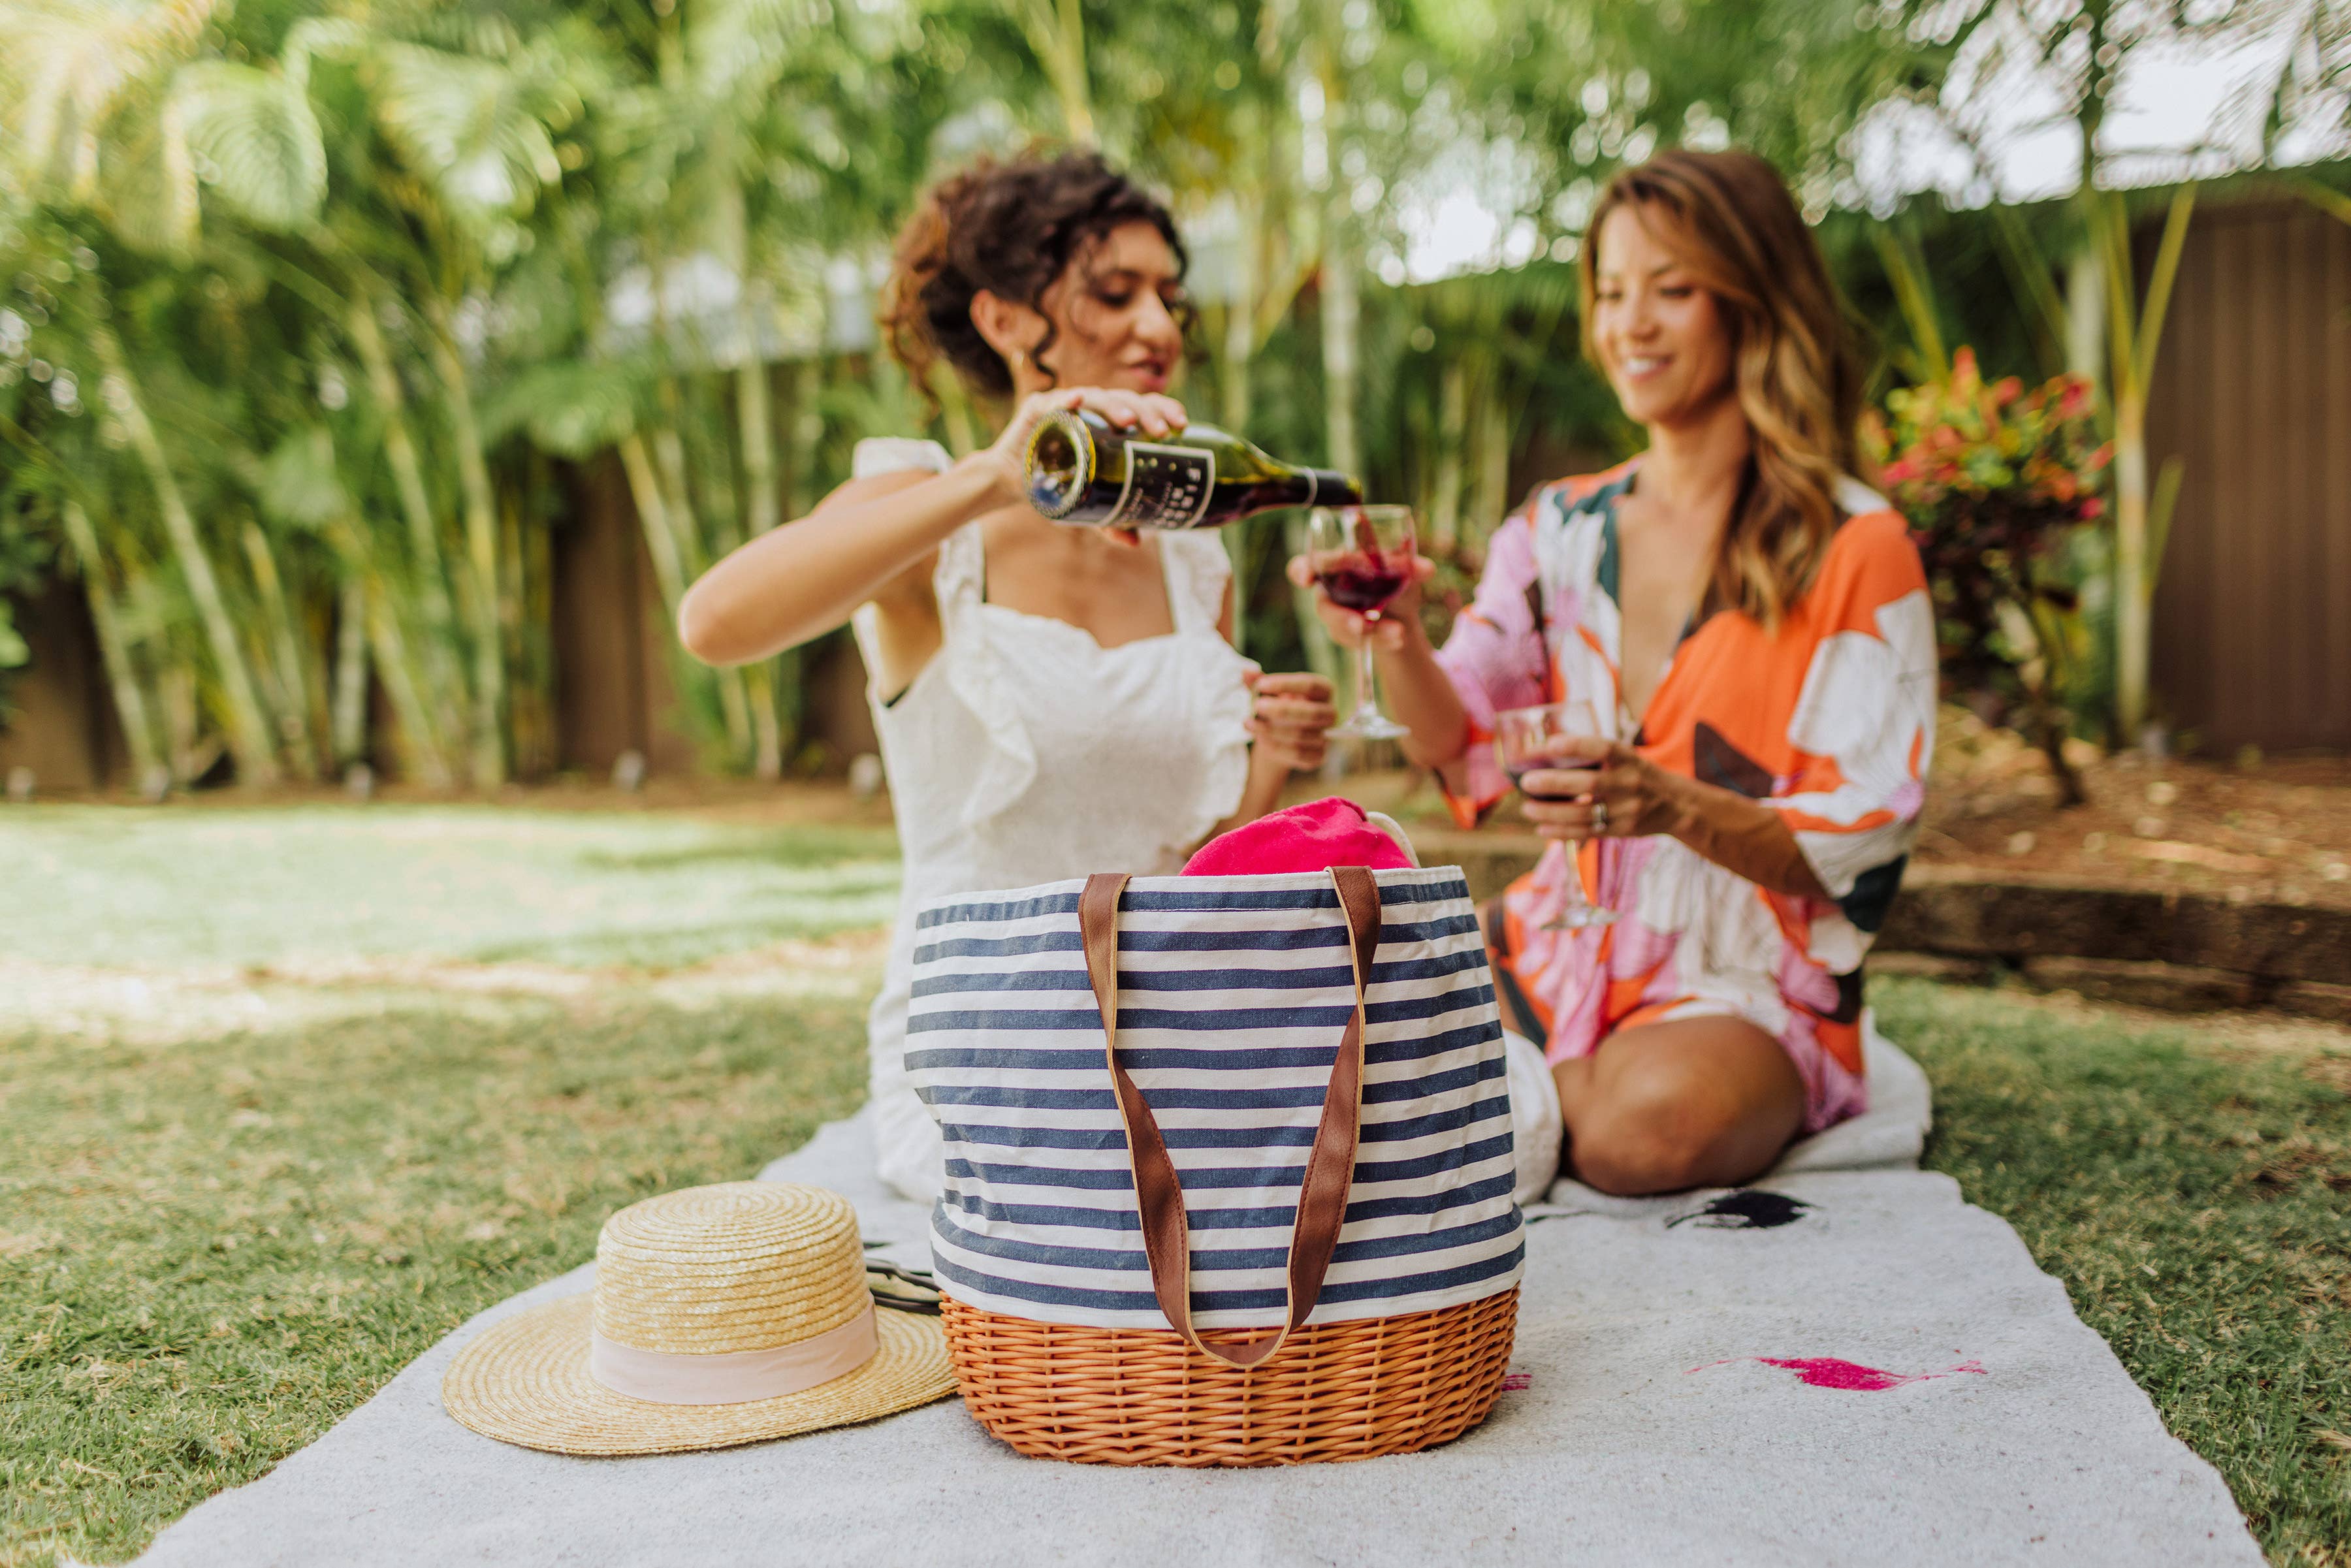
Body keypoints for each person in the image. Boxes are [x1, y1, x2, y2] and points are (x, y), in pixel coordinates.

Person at [679, 150, 1337, 1204]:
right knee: (1124, 1192)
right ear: (1003, 320)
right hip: (990, 1027)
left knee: (1434, 1137)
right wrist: (996, 475)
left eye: (1170, 295)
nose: (1160, 326)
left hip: (1171, 1012)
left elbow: (1192, 856)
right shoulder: (929, 510)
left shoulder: (1190, 554)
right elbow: (714, 620)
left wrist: (1274, 766)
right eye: (1114, 293)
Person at [1295, 148, 1934, 1197]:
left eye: (1672, 291)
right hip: (1556, 932)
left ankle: (1532, 1103)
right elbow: (1456, 739)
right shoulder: (1558, 527)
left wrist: (1668, 803)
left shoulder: (1855, 545)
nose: (1630, 324)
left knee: (1646, 1135)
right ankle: (1550, 1098)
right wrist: (1399, 633)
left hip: (1746, 965)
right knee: (1308, 1025)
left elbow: (1865, 836)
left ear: (1751, 303)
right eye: (1610, 292)